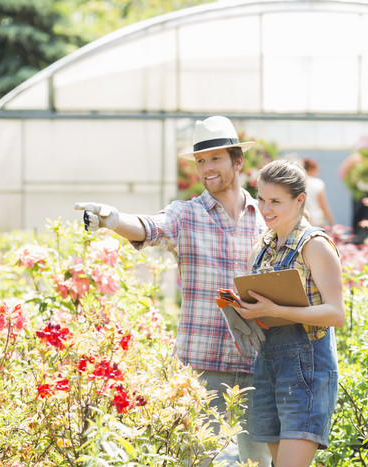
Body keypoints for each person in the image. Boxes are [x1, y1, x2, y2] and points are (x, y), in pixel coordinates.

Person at [74, 116, 272, 466]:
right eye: (200, 161)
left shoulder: (265, 220)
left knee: (259, 463)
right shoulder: (186, 215)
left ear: (237, 161)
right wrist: (113, 219)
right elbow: (150, 228)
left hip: (258, 365)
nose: (206, 168)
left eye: (215, 159)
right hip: (200, 368)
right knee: (191, 460)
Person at [233, 159, 345, 467]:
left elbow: (336, 314)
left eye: (275, 201)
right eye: (262, 199)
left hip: (306, 369)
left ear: (299, 200)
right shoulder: (262, 248)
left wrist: (276, 309)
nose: (265, 209)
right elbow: (265, 312)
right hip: (269, 367)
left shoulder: (315, 245)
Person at [301, 157, 335, 227]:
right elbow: (323, 205)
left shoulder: (300, 182)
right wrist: (332, 223)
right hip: (317, 220)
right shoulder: (318, 183)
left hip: (303, 219)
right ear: (311, 169)